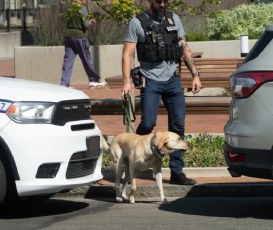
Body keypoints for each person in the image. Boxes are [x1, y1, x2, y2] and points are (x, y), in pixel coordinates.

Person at [121, 0, 202, 185]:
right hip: (150, 80)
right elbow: (128, 53)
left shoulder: (174, 19)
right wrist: (127, 82)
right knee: (148, 123)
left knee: (178, 126)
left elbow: (184, 48)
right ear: (150, 1)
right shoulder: (137, 22)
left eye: (165, 1)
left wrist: (195, 75)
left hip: (173, 81)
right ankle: (131, 159)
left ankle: (177, 172)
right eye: (159, 1)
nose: (163, 4)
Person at [60, 0, 105, 89]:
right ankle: (93, 80)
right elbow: (85, 25)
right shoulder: (82, 8)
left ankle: (64, 84)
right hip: (79, 36)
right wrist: (91, 21)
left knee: (68, 60)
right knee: (86, 59)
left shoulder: (70, 7)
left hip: (68, 36)